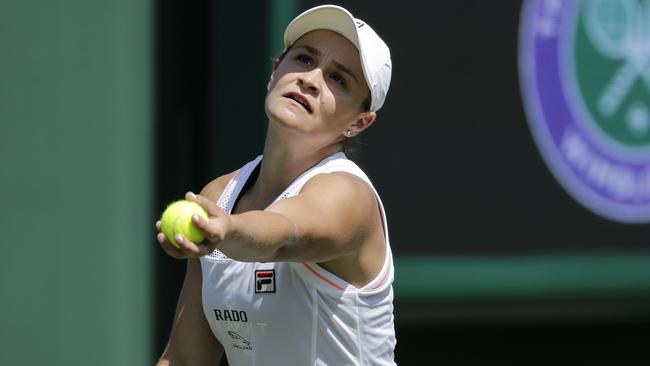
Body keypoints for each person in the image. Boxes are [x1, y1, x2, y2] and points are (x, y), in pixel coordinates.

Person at [155, 5, 395, 366]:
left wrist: (228, 229)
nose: (311, 79)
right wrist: (223, 227)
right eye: (303, 59)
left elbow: (287, 232)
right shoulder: (217, 196)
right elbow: (187, 359)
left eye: (339, 79)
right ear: (274, 73)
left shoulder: (348, 196)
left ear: (360, 123)